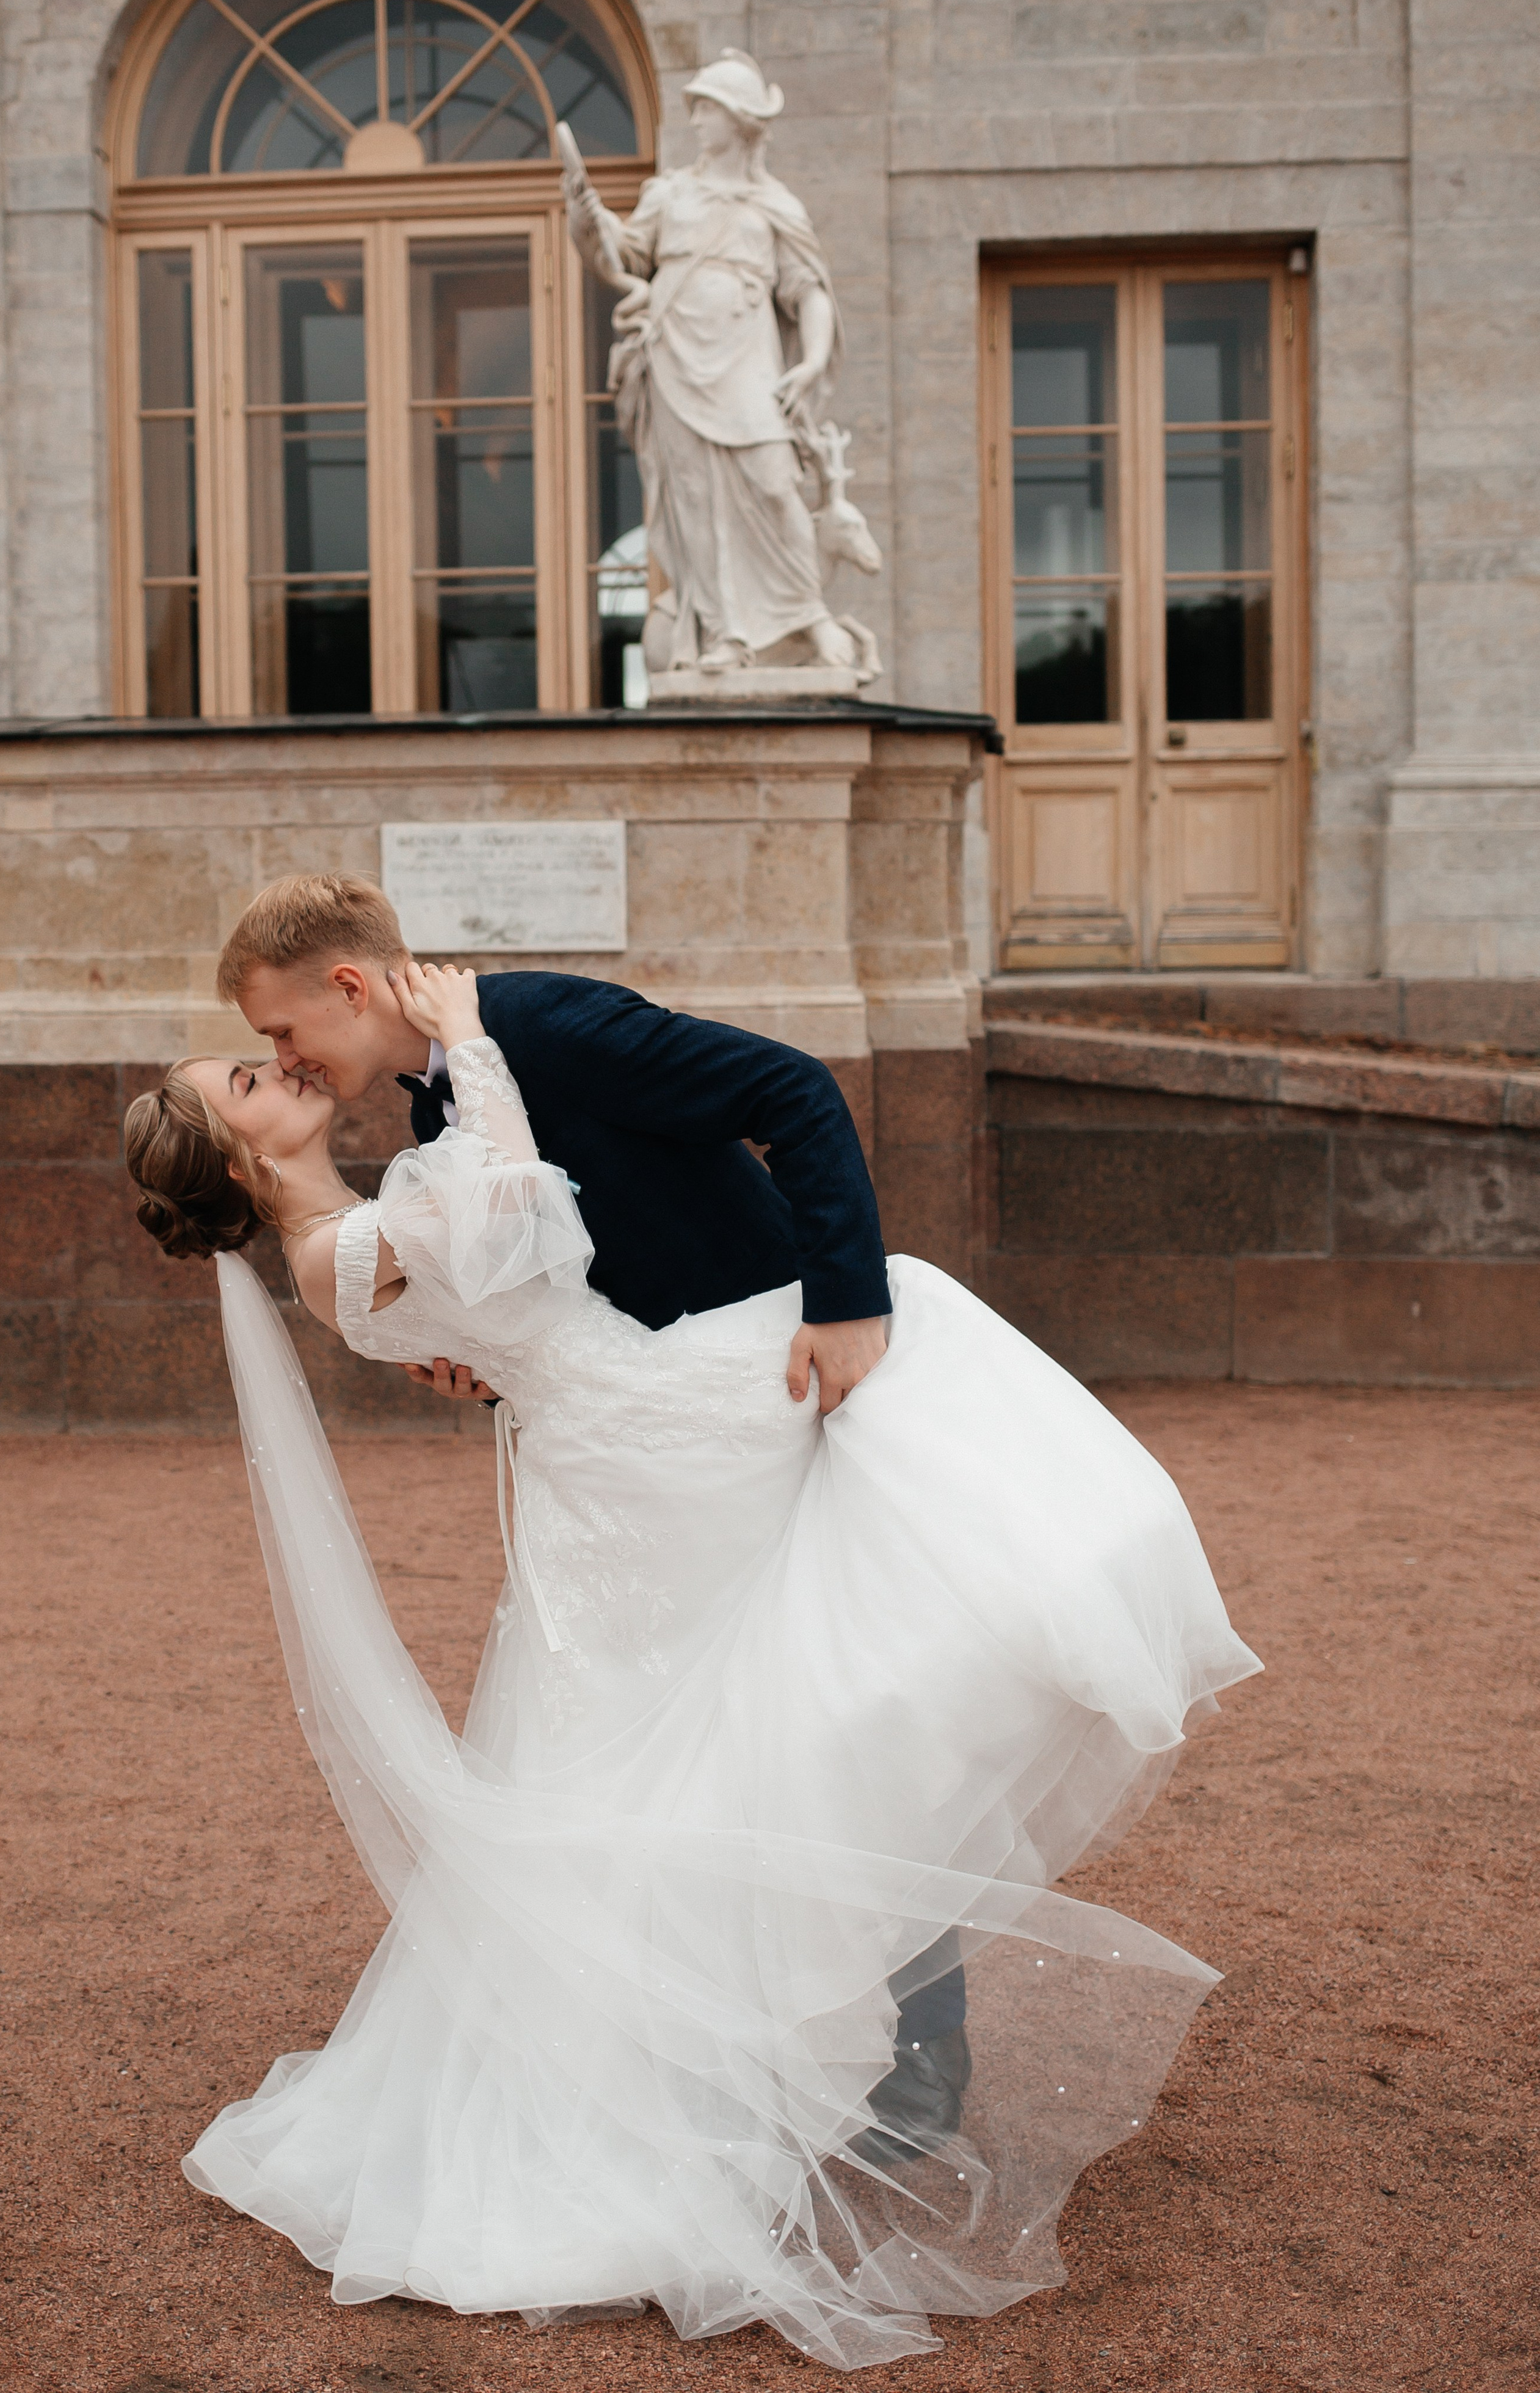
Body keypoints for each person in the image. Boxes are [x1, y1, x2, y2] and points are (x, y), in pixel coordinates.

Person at [123, 947, 1260, 2368]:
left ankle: (833, 2028)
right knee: (709, 1741)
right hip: (635, 1477)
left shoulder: (362, 1230)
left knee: (775, 1704)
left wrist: (460, 1322)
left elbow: (499, 1261)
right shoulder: (340, 1247)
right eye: (246, 1076)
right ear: (236, 1147)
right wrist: (471, 1039)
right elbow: (505, 1211)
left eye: (266, 1042)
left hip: (639, 1439)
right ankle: (732, 2064)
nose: (275, 1064)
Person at [563, 46, 860, 675]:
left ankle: (807, 615)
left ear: (740, 119)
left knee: (776, 482)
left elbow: (808, 290)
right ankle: (726, 633)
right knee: (693, 499)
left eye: (707, 109)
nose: (695, 120)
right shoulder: (670, 195)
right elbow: (623, 255)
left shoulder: (774, 205)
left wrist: (809, 362)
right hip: (677, 361)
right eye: (695, 108)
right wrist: (589, 220)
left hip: (746, 361)